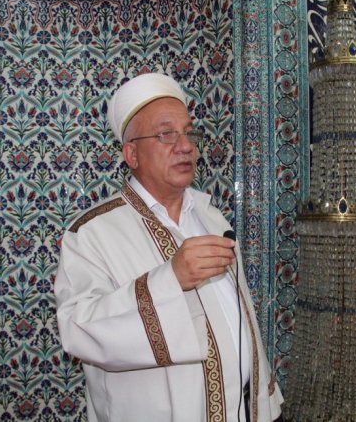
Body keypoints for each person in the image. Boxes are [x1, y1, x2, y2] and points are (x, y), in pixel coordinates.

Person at [53, 73, 284, 422]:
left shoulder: (209, 215)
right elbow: (78, 330)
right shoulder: (91, 233)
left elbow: (238, 318)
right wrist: (170, 279)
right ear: (132, 154)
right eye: (166, 134)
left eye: (189, 133)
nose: (186, 146)